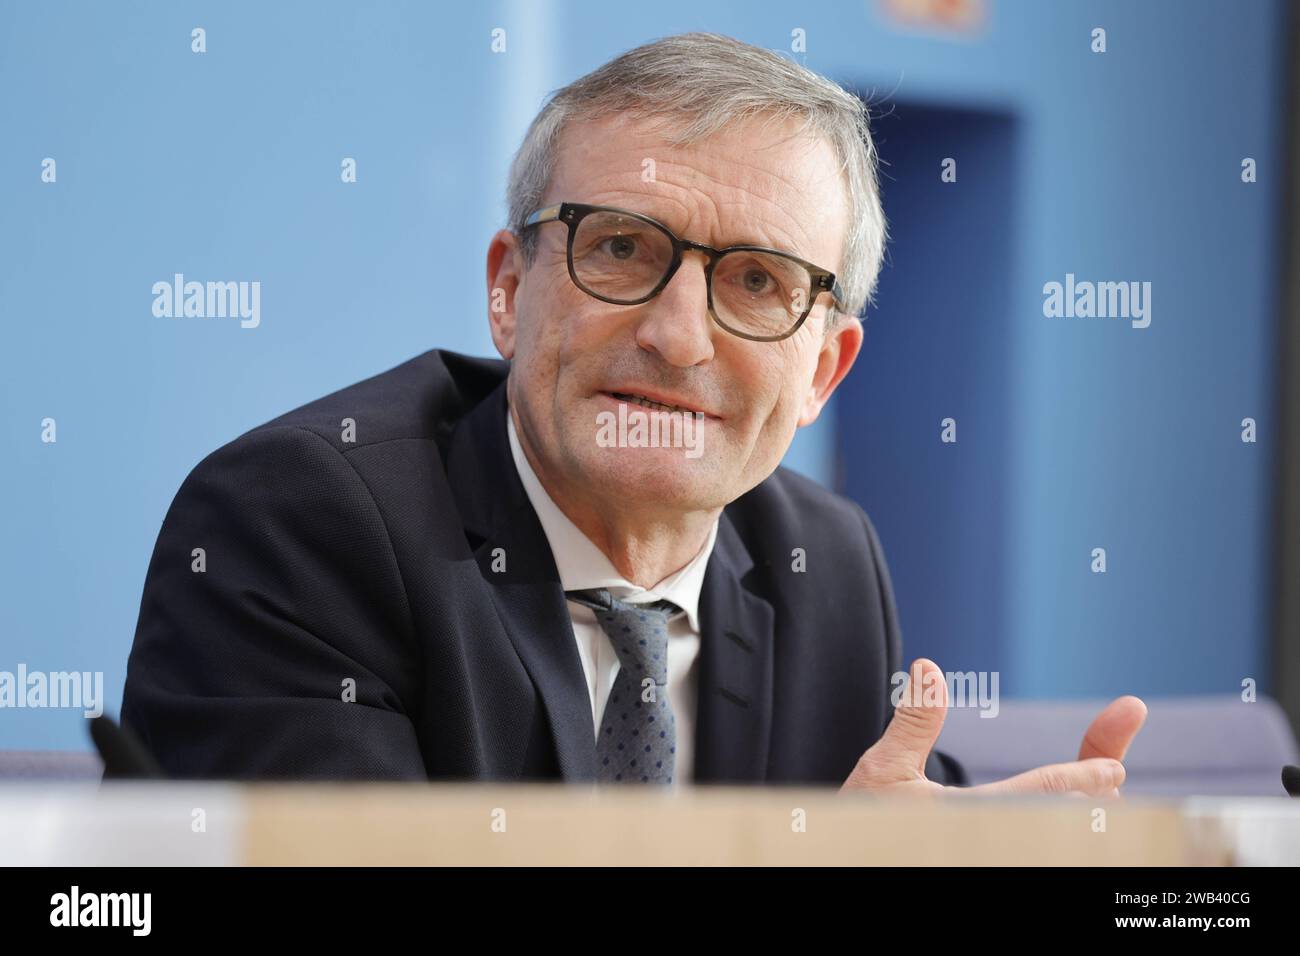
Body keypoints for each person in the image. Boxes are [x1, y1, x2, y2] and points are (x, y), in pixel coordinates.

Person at [121, 33, 1146, 792]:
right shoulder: (298, 518)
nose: (678, 336)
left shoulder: (824, 562)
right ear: (509, 291)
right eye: (618, 247)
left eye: (755, 279)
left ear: (823, 372)